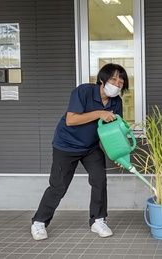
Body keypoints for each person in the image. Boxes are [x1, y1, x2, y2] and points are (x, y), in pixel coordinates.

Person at [30, 63, 129, 240]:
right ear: (102, 79)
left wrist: (118, 152)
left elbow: (112, 131)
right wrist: (99, 113)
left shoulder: (116, 102)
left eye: (121, 81)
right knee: (59, 185)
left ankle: (98, 220)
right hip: (66, 145)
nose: (118, 83)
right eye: (114, 78)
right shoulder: (83, 92)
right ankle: (39, 222)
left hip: (90, 147)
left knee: (99, 180)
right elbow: (71, 120)